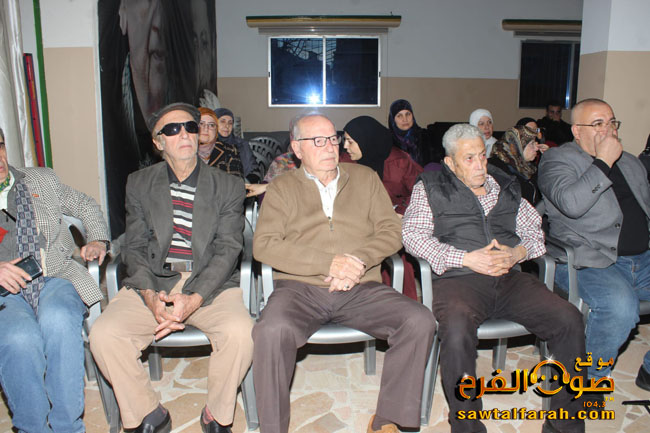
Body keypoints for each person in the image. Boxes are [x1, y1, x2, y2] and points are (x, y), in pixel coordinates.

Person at [252, 113, 436, 433]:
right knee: (270, 331)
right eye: (317, 141)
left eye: (332, 139)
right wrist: (329, 263)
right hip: (299, 289)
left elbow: (391, 231)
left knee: (419, 320)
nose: (329, 147)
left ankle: (388, 420)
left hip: (361, 286)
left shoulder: (365, 178)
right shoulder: (281, 187)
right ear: (297, 148)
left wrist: (357, 260)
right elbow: (265, 245)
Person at [402, 123, 587, 433]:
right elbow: (412, 236)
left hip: (509, 278)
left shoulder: (507, 185)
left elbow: (534, 232)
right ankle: (467, 426)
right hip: (459, 280)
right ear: (450, 162)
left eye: (482, 156)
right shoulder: (431, 187)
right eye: (469, 158)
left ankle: (564, 426)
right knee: (457, 330)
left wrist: (517, 253)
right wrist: (465, 258)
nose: (479, 165)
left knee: (569, 318)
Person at [90, 103, 253, 433]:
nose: (185, 134)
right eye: (172, 129)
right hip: (155, 279)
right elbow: (134, 246)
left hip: (210, 282)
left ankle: (217, 415)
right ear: (158, 141)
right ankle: (149, 414)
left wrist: (194, 298)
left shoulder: (228, 185)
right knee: (104, 335)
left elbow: (228, 249)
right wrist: (150, 295)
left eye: (191, 127)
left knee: (242, 333)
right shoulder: (139, 183)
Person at [0, 127, 110, 433]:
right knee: (19, 339)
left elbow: (85, 205)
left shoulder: (40, 179)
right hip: (4, 294)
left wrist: (98, 239)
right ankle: (33, 428)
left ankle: (67, 426)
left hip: (54, 276)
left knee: (59, 319)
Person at [537, 98, 650, 394]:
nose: (608, 129)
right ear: (577, 131)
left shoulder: (631, 163)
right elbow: (571, 204)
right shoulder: (558, 160)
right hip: (589, 261)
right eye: (598, 123)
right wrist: (603, 163)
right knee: (620, 307)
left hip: (643, 260)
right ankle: (588, 381)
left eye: (612, 122)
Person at [343, 115, 422, 300]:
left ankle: (403, 302)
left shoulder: (400, 161)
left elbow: (422, 191)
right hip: (358, 223)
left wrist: (401, 212)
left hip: (393, 220)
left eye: (350, 141)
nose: (345, 146)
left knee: (396, 247)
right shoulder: (345, 162)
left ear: (366, 140)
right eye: (344, 140)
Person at [489, 125, 542, 205]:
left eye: (535, 143)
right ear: (517, 145)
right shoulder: (497, 169)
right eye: (532, 144)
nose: (536, 148)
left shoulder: (529, 167)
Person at [388, 99, 443, 166]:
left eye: (408, 114)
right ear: (393, 120)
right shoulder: (388, 141)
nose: (405, 119)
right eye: (399, 116)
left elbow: (437, 163)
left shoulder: (426, 136)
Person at [214, 108, 261, 184]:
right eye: (222, 121)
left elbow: (254, 171)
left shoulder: (241, 144)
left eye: (230, 123)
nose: (227, 126)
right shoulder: (207, 145)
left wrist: (244, 184)